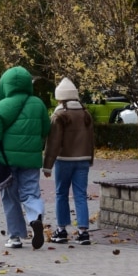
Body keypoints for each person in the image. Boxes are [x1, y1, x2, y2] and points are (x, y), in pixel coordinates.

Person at [0, 66, 51, 250]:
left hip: (6, 161)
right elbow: (46, 129)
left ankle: (15, 237)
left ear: (5, 85)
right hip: (31, 160)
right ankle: (35, 217)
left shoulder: (0, 107)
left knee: (10, 197)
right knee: (31, 191)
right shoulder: (38, 104)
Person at [43, 77, 95, 245]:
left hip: (64, 160)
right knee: (80, 195)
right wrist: (90, 158)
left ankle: (61, 230)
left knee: (61, 194)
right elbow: (91, 139)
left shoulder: (59, 115)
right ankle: (83, 232)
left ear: (60, 97)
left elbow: (53, 142)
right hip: (83, 160)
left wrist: (47, 165)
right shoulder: (85, 114)